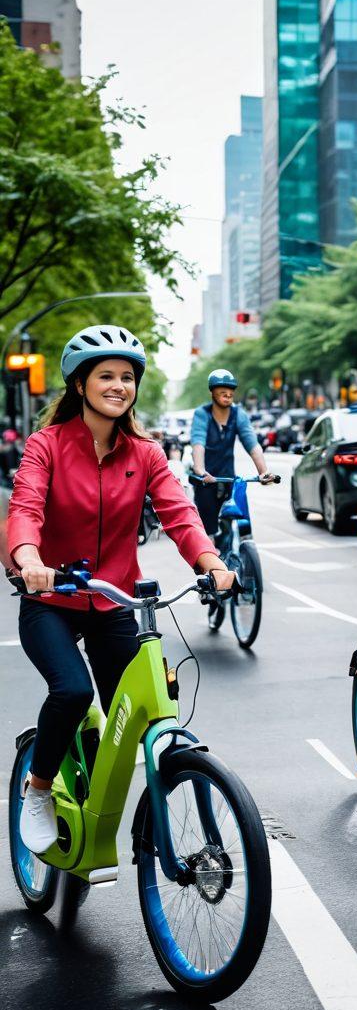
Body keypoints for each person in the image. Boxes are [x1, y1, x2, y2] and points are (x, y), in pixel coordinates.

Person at [7, 326, 234, 854]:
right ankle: (38, 790)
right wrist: (30, 560)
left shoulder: (146, 453)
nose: (118, 385)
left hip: (114, 602)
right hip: (50, 602)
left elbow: (180, 515)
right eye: (105, 375)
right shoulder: (48, 445)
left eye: (127, 377)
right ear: (79, 384)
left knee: (139, 714)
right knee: (72, 691)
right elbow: (25, 509)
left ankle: (116, 809)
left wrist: (212, 563)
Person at [190, 369, 275, 535]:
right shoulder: (202, 414)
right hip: (206, 481)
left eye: (231, 392)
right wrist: (200, 470)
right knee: (208, 534)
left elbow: (252, 444)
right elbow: (198, 443)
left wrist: (263, 471)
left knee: (242, 524)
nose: (228, 395)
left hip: (229, 479)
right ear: (212, 393)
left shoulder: (239, 415)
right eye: (223, 392)